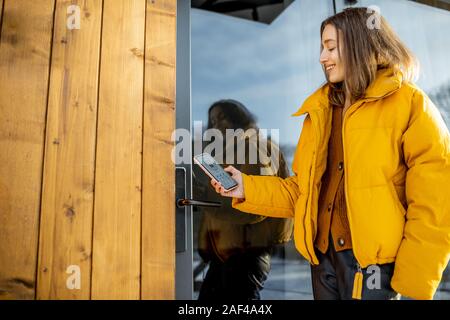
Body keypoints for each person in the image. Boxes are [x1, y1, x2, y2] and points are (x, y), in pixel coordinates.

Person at [210, 8, 450, 300]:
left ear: (361, 44)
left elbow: (435, 200)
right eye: (321, 48)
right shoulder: (320, 113)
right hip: (323, 262)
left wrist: (413, 276)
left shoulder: (410, 104)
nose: (322, 57)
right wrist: (245, 186)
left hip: (374, 268)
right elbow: (302, 192)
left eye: (331, 47)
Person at [194, 99, 293, 301]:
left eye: (222, 117)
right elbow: (229, 197)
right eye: (212, 121)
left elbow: (254, 208)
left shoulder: (256, 147)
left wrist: (208, 203)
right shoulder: (233, 152)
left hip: (245, 255)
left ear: (239, 117)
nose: (217, 124)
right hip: (226, 254)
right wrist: (203, 195)